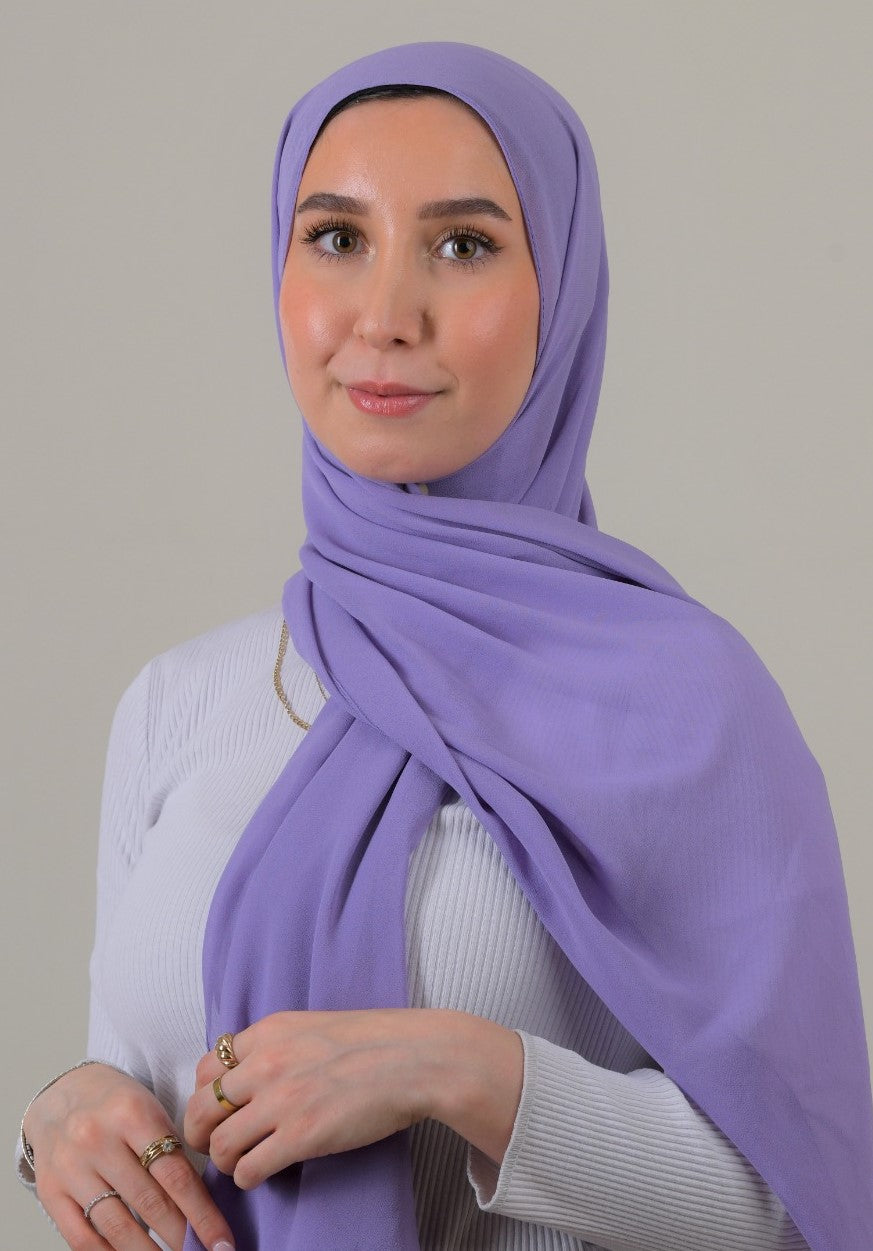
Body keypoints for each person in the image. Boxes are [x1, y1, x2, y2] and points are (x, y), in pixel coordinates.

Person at [16, 40, 873, 1251]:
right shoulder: (177, 699)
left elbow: (791, 1189)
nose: (385, 317)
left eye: (463, 246)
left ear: (560, 292)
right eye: (336, 237)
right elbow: (139, 1102)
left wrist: (459, 1070)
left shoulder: (687, 706)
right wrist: (68, 1110)